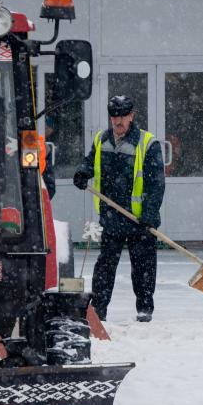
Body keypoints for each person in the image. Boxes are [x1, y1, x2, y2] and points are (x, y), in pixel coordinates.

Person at [73, 94, 165, 322]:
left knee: (143, 267)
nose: (118, 121)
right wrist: (83, 172)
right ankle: (98, 311)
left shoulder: (147, 143)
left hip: (139, 220)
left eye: (123, 116)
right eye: (114, 116)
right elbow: (90, 161)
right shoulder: (102, 140)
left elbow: (156, 184)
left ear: (131, 116)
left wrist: (149, 213)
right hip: (112, 216)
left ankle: (145, 310)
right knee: (105, 266)